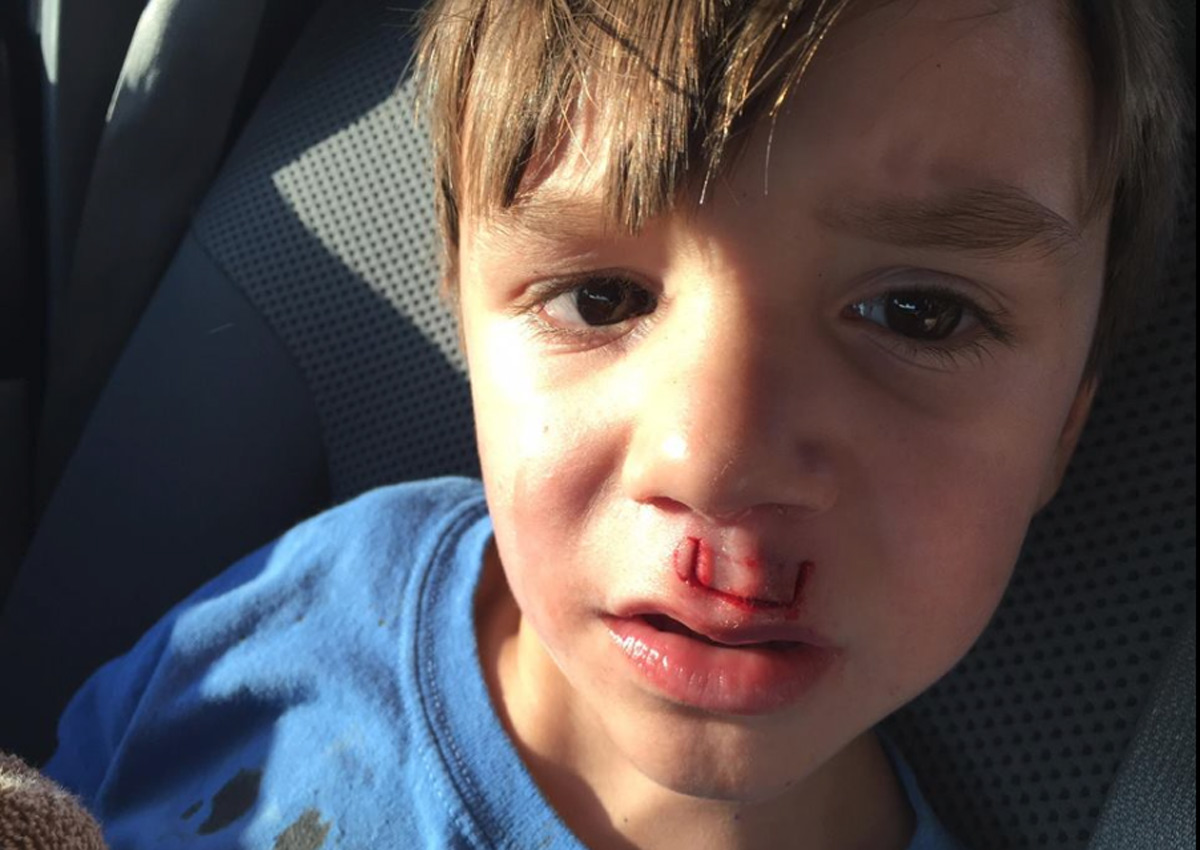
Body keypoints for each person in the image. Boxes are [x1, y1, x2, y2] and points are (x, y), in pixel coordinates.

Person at [44, 1, 1188, 848]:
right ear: (465, 313)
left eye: (920, 313)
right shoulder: (310, 596)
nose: (718, 460)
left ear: (1065, 426)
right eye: (601, 298)